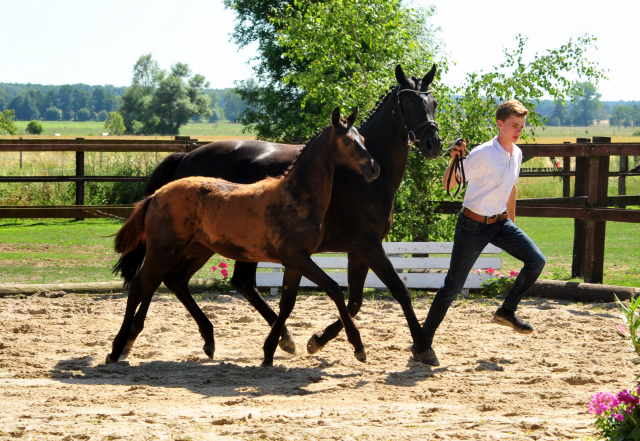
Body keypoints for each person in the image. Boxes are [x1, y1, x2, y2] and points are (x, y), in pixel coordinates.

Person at [421, 99, 546, 367]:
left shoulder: (517, 154)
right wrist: (454, 159)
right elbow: (448, 184)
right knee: (452, 287)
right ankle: (422, 343)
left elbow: (511, 189)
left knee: (537, 261)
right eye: (513, 125)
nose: (518, 131)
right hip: (472, 226)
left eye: (521, 126)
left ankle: (506, 311)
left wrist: (513, 225)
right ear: (499, 124)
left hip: (500, 224)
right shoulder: (482, 154)